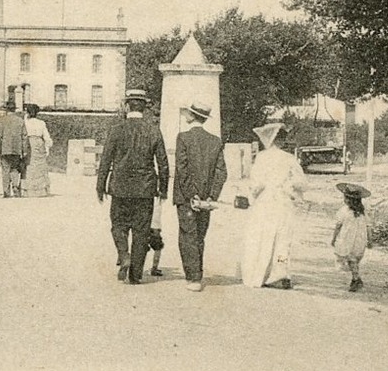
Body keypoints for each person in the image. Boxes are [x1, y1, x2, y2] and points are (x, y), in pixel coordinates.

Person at [96, 88, 169, 285]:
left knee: (118, 226)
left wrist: (100, 186)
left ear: (127, 106)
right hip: (145, 189)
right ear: (144, 108)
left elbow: (106, 160)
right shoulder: (153, 130)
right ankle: (136, 275)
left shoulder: (116, 129)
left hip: (120, 187)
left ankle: (123, 254)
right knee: (141, 231)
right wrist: (164, 189)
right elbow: (163, 162)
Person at [171, 102, 228, 292]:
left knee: (188, 235)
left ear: (192, 116)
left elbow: (182, 169)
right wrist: (211, 196)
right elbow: (221, 172)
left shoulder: (183, 137)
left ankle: (194, 278)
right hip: (206, 199)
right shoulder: (215, 141)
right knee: (200, 236)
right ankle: (197, 273)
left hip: (187, 198)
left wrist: (191, 194)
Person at [240, 122, 302, 289]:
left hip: (265, 201)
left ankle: (261, 273)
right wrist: (289, 188)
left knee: (263, 237)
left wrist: (252, 196)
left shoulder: (261, 157)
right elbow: (300, 182)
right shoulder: (289, 158)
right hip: (282, 201)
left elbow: (256, 183)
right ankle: (282, 274)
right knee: (282, 238)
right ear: (280, 140)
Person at [332, 181, 371, 292]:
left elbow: (338, 226)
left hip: (348, 239)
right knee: (353, 260)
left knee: (351, 259)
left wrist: (334, 238)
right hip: (359, 239)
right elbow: (369, 227)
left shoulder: (344, 211)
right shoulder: (363, 212)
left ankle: (356, 279)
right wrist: (370, 240)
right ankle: (356, 279)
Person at [0, 99, 30, 198]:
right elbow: (24, 137)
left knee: (5, 170)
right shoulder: (20, 120)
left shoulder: (2, 120)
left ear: (6, 110)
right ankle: (15, 186)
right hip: (16, 149)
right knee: (14, 169)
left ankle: (6, 191)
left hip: (5, 149)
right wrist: (24, 150)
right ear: (14, 110)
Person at [22, 103, 53, 196]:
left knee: (29, 166)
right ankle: (41, 190)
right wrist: (47, 146)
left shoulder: (25, 122)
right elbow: (46, 137)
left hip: (29, 143)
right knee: (40, 166)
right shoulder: (41, 123)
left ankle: (28, 190)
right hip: (39, 143)